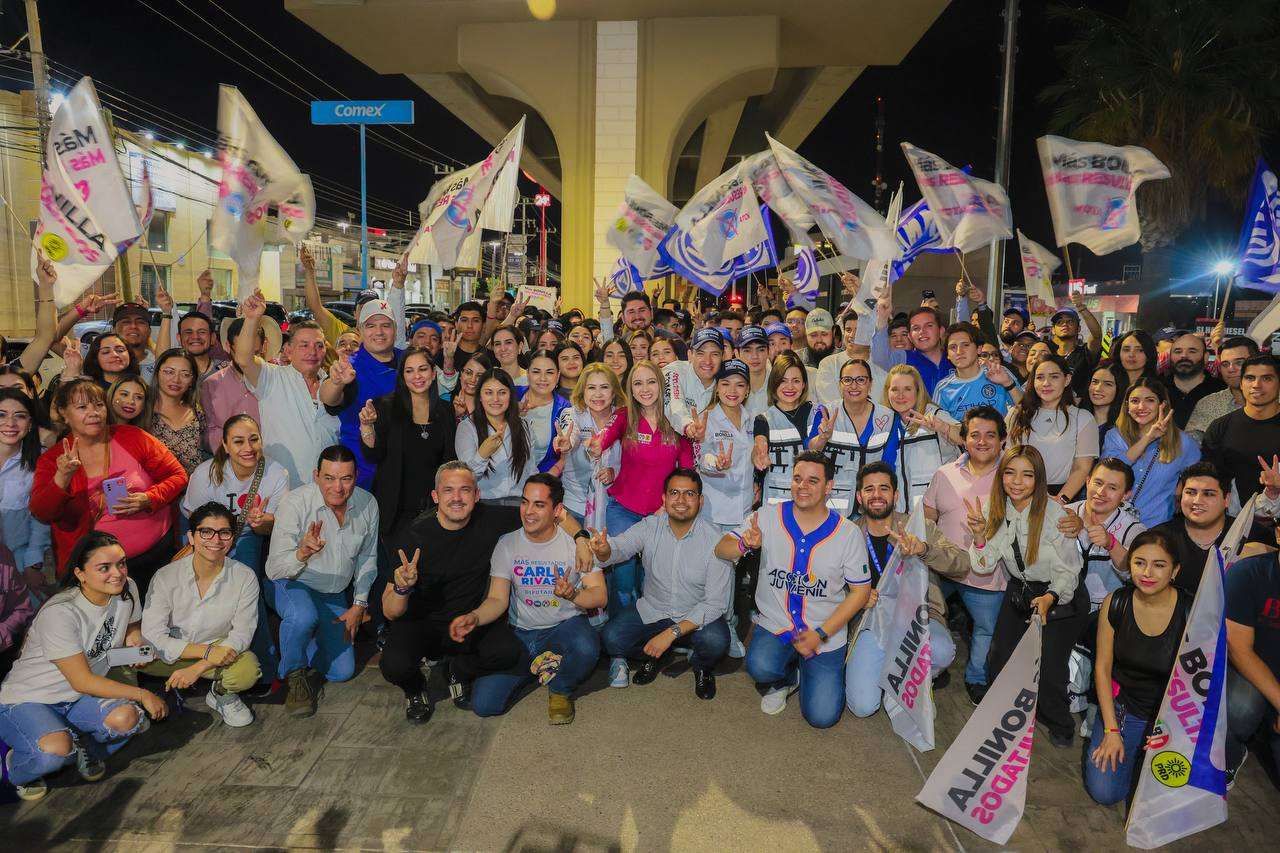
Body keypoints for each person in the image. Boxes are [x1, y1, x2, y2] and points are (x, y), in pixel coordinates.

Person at [379, 462, 590, 722]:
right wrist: (402, 587)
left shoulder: (492, 519)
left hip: (471, 619)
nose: (457, 498)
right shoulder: (412, 536)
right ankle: (415, 689)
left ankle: (458, 671)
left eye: (465, 490)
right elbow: (390, 610)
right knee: (393, 664)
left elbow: (550, 512)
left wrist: (581, 538)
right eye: (448, 490)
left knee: (507, 652)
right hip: (421, 623)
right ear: (435, 496)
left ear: (477, 495)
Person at [0, 531, 166, 801]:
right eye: (104, 567)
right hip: (29, 699)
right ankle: (15, 766)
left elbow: (131, 626)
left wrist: (135, 642)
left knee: (128, 719)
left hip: (78, 698)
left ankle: (81, 746)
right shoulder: (61, 612)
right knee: (52, 753)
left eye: (121, 563)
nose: (117, 573)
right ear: (80, 573)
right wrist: (143, 693)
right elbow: (83, 681)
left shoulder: (128, 589)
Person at [719, 451, 870, 728]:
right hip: (776, 625)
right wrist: (744, 545)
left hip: (825, 632)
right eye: (798, 478)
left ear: (828, 487)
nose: (803, 486)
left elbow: (860, 592)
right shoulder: (766, 516)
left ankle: (810, 672)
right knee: (761, 666)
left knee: (822, 716)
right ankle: (787, 678)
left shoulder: (848, 533)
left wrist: (822, 633)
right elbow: (722, 548)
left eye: (813, 481)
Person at [451, 474, 605, 723]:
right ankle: (540, 667)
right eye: (524, 502)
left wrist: (573, 594)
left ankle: (560, 689)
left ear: (557, 510)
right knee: (484, 705)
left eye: (539, 505)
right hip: (520, 634)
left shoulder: (577, 546)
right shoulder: (507, 544)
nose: (528, 512)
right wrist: (474, 617)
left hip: (563, 629)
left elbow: (599, 596)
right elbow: (497, 600)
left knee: (586, 648)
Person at [967, 444, 1084, 748]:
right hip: (1019, 592)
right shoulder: (994, 509)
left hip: (1059, 596)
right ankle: (1002, 717)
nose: (1017, 481)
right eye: (1010, 473)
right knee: (1000, 659)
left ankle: (1060, 724)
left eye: (1027, 475)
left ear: (1039, 479)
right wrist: (979, 536)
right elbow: (984, 565)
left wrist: (1052, 597)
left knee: (1048, 671)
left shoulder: (1055, 514)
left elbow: (1069, 571)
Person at [590, 360, 694, 686]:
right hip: (623, 509)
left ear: (661, 385)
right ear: (630, 389)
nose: (645, 389)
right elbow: (606, 436)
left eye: (651, 382)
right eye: (638, 383)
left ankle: (654, 647)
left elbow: (687, 470)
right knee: (624, 585)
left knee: (656, 583)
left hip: (660, 516)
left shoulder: (676, 421)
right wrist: (597, 444)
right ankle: (619, 656)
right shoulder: (625, 417)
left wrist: (671, 504)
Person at [32, 379, 187, 596]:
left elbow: (178, 475)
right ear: (63, 413)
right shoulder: (52, 459)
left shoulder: (132, 437)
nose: (94, 412)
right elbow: (42, 512)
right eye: (82, 407)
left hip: (157, 554)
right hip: (98, 572)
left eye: (99, 405)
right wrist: (62, 477)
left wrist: (148, 499)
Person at [594, 468, 731, 699]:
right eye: (674, 493)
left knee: (716, 641)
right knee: (611, 639)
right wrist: (606, 550)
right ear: (664, 499)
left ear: (700, 500)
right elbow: (620, 547)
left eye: (689, 494)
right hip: (654, 610)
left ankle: (701, 666)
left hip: (694, 616)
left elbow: (716, 604)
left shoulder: (716, 540)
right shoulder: (649, 527)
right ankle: (658, 654)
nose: (681, 500)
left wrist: (670, 633)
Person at [845, 462, 967, 717]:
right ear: (859, 496)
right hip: (870, 622)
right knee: (862, 707)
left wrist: (924, 549)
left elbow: (962, 563)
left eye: (884, 488)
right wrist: (856, 598)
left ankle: (911, 683)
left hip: (918, 618)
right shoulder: (848, 533)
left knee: (943, 650)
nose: (876, 495)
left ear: (896, 495)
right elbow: (832, 585)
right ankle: (891, 671)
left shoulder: (918, 526)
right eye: (869, 489)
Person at [265, 445, 379, 717]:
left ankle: (304, 640)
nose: (337, 487)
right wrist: (302, 552)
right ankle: (293, 674)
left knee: (342, 672)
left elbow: (368, 558)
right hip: (292, 582)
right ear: (316, 475)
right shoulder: (294, 503)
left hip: (334, 593)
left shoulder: (368, 503)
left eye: (346, 478)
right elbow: (275, 567)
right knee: (303, 616)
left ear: (356, 476)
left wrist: (359, 604)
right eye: (329, 478)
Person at [1084, 530, 1192, 804]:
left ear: (1175, 570)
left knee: (1164, 799)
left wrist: (1172, 732)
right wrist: (1110, 730)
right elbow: (1102, 668)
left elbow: (1199, 683)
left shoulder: (1191, 612)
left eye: (1159, 565)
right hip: (1123, 709)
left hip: (1169, 716)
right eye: (1139, 562)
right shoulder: (1116, 602)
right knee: (1105, 792)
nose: (1147, 572)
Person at [139, 503, 262, 728]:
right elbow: (153, 634)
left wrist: (198, 667)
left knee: (246, 671)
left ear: (232, 538)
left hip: (217, 649)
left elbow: (242, 634)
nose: (215, 540)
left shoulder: (244, 576)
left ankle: (221, 693)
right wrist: (205, 652)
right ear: (191, 537)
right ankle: (133, 702)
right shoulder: (166, 576)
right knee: (126, 659)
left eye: (224, 533)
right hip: (170, 650)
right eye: (206, 532)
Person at [925, 406, 1006, 705]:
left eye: (990, 435)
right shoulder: (944, 473)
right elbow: (928, 516)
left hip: (987, 573)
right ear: (964, 438)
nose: (982, 442)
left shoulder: (1011, 477)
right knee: (920, 614)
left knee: (986, 630)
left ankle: (976, 678)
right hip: (943, 567)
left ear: (1002, 440)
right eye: (974, 435)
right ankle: (931, 666)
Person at [234, 291, 340, 489]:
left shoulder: (334, 383)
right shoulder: (272, 377)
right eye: (304, 345)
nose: (312, 352)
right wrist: (252, 319)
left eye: (319, 346)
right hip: (282, 491)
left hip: (328, 493)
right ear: (289, 350)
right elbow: (243, 359)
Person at [360, 347, 457, 542]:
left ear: (433, 372)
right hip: (395, 510)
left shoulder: (445, 410)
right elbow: (373, 455)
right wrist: (367, 426)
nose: (417, 376)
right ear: (402, 375)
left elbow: (449, 460)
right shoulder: (385, 406)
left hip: (435, 510)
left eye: (422, 369)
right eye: (409, 371)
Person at [181, 415, 289, 572]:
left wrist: (259, 522)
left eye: (254, 439)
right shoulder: (204, 474)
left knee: (245, 578)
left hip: (246, 532)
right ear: (225, 445)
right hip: (203, 529)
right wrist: (218, 542)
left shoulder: (277, 474)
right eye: (239, 441)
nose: (248, 448)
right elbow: (196, 520)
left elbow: (270, 527)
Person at [319, 299, 404, 490]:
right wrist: (335, 383)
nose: (379, 332)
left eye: (386, 325)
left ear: (395, 328)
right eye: (371, 326)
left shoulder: (407, 360)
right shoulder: (351, 366)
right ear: (360, 329)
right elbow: (329, 399)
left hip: (402, 467)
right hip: (364, 473)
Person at [1102, 378, 1200, 526]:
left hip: (1156, 527)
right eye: (1135, 401)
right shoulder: (1114, 436)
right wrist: (1148, 438)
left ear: (1162, 405)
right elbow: (1112, 470)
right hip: (1112, 525)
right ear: (1127, 406)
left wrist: (1180, 489)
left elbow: (1198, 478)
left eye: (1150, 400)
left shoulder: (1183, 442)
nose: (1141, 406)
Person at [1225, 528, 1280, 789]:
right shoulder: (1248, 573)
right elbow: (1239, 649)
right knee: (1239, 709)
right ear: (1278, 533)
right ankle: (1231, 753)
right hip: (1249, 672)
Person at [1007, 354, 1097, 499]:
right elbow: (1007, 459)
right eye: (1040, 377)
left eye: (1054, 377)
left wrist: (1060, 501)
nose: (1046, 383)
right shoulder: (1016, 414)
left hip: (1060, 496)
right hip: (1017, 494)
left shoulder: (1083, 418)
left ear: (1067, 379)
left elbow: (1082, 467)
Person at [752, 351, 832, 506]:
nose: (789, 387)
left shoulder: (818, 412)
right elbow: (759, 445)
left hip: (811, 501)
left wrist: (822, 438)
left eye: (796, 380)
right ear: (774, 384)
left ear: (804, 384)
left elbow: (813, 447)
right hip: (775, 505)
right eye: (783, 381)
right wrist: (759, 456)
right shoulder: (763, 419)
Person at [1202, 354, 1280, 508]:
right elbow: (1209, 481)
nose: (1256, 385)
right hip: (1232, 522)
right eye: (1250, 378)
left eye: (1267, 378)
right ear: (1241, 383)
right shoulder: (1219, 427)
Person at [877, 364, 955, 512]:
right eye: (895, 389)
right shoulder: (885, 422)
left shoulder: (933, 415)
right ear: (887, 392)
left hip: (934, 514)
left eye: (907, 389)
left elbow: (965, 436)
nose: (901, 395)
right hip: (899, 514)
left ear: (918, 391)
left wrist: (943, 427)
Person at [823, 358, 895, 516]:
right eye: (847, 380)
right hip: (833, 504)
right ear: (840, 384)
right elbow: (810, 450)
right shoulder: (825, 412)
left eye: (861, 380)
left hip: (873, 504)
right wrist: (823, 437)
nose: (854, 386)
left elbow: (890, 464)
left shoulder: (888, 416)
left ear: (870, 384)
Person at [1151, 462, 1235, 595]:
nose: (1197, 501)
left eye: (1208, 494)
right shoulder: (1158, 538)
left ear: (1227, 499)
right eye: (1190, 492)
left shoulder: (1250, 535)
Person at [455, 367, 536, 503]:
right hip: (484, 504)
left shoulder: (524, 426)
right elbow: (466, 479)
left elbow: (531, 471)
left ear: (510, 396)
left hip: (520, 504)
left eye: (502, 392)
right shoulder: (467, 427)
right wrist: (482, 455)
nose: (496, 399)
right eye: (488, 393)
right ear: (480, 397)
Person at [0, 388, 51, 600]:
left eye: (19, 416)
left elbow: (41, 518)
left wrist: (33, 562)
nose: (10, 423)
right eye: (1, 415)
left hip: (19, 563)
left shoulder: (41, 461)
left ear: (30, 424)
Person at [556, 363, 623, 525]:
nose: (598, 394)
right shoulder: (572, 414)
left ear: (613, 392)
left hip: (613, 505)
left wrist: (614, 473)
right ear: (582, 391)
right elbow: (569, 434)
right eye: (591, 388)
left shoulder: (623, 417)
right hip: (574, 504)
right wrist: (565, 443)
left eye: (604, 387)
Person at [200, 315, 278, 452]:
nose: (247, 361)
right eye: (241, 354)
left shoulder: (276, 380)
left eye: (254, 354)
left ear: (263, 346)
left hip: (272, 459)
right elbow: (208, 431)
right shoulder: (211, 384)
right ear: (228, 347)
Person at [931, 322, 1021, 422]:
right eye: (953, 347)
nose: (959, 351)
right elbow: (938, 428)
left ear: (979, 349)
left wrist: (1008, 384)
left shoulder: (999, 373)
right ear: (947, 354)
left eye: (965, 345)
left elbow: (1027, 411)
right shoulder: (943, 388)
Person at [145, 348, 207, 475]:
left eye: (185, 374)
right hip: (155, 490)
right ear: (157, 373)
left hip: (192, 489)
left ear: (192, 380)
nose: (176, 380)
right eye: (169, 372)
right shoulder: (143, 409)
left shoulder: (197, 411)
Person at [1186, 336, 1259, 441]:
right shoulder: (1208, 404)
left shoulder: (1275, 401)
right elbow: (1190, 447)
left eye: (1239, 363)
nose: (1231, 369)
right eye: (1225, 364)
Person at [872, 303, 953, 394]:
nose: (922, 331)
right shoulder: (905, 358)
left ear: (941, 331)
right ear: (910, 336)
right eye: (916, 328)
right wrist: (883, 318)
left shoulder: (955, 357)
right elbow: (880, 358)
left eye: (929, 325)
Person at [664, 328, 726, 441]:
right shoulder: (675, 370)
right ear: (690, 355)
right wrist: (688, 425)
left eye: (715, 354)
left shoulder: (727, 383)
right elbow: (673, 403)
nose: (708, 361)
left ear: (723, 357)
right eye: (700, 353)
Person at [520, 350, 571, 473]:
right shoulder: (511, 396)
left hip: (543, 480)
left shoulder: (564, 409)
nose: (543, 378)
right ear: (527, 374)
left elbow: (565, 454)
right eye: (536, 372)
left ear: (558, 376)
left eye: (549, 372)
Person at [1163, 332, 1223, 428]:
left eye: (1192, 351)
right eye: (1178, 351)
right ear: (1170, 357)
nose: (1184, 356)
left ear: (1206, 357)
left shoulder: (1221, 391)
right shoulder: (1156, 389)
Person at [1046, 303, 1101, 400]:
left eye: (1070, 322)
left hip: (1079, 410)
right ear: (1053, 330)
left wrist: (1082, 308)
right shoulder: (1049, 356)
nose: (1064, 324)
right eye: (1059, 322)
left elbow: (1096, 335)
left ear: (1078, 328)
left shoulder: (1085, 353)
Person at [111, 302, 156, 382]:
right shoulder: (101, 360)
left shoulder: (159, 364)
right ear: (113, 330)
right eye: (126, 322)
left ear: (149, 331)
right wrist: (81, 310)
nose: (133, 326)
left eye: (140, 322)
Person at [1087, 363, 1126, 444]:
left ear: (1119, 389)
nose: (1098, 389)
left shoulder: (1123, 427)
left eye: (1108, 384)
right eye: (1095, 382)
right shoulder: (1075, 418)